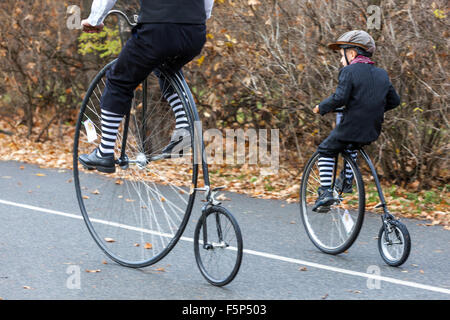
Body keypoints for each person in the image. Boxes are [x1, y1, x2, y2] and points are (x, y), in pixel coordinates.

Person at [79, 0, 214, 173]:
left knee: (118, 80)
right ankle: (184, 127)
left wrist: (95, 18)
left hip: (157, 30)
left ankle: (104, 152)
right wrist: (199, 16)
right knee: (167, 69)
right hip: (195, 32)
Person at [311, 30, 401, 212]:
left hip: (351, 125)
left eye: (342, 55)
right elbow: (394, 101)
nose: (341, 60)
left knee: (326, 149)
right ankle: (346, 181)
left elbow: (340, 98)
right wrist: (371, 107)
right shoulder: (381, 74)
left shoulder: (349, 71)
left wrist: (322, 107)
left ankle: (326, 191)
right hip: (372, 129)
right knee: (350, 147)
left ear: (352, 53)